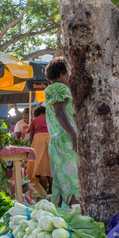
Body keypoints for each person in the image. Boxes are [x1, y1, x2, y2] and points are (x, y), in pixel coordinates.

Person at [44, 56, 79, 206]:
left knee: (60, 183)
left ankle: (61, 215)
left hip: (57, 143)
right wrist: (73, 133)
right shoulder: (60, 88)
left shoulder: (50, 90)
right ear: (62, 74)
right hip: (65, 142)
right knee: (72, 183)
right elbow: (60, 112)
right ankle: (77, 214)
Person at [26, 105, 52, 191]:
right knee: (51, 166)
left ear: (38, 113)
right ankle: (52, 192)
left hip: (38, 139)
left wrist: (31, 145)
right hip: (50, 138)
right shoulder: (50, 118)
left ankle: (43, 193)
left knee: (41, 166)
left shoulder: (35, 120)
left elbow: (31, 136)